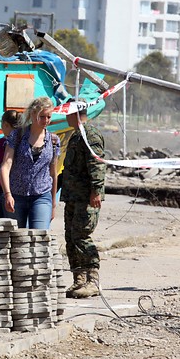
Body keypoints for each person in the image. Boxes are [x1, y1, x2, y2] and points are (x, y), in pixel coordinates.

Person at [61, 103, 106, 299]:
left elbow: (96, 164)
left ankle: (93, 280)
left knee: (82, 236)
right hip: (73, 196)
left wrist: (96, 191)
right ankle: (79, 279)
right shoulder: (76, 134)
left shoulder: (90, 135)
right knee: (71, 238)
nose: (65, 117)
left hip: (85, 197)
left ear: (76, 114)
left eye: (68, 114)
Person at [0, 97, 60, 229]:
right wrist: (7, 194)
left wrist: (53, 204)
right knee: (16, 239)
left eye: (48, 117)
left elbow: (53, 173)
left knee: (39, 238)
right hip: (16, 195)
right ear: (32, 114)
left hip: (42, 196)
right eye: (42, 116)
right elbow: (5, 166)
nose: (46, 121)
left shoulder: (54, 140)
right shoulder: (17, 135)